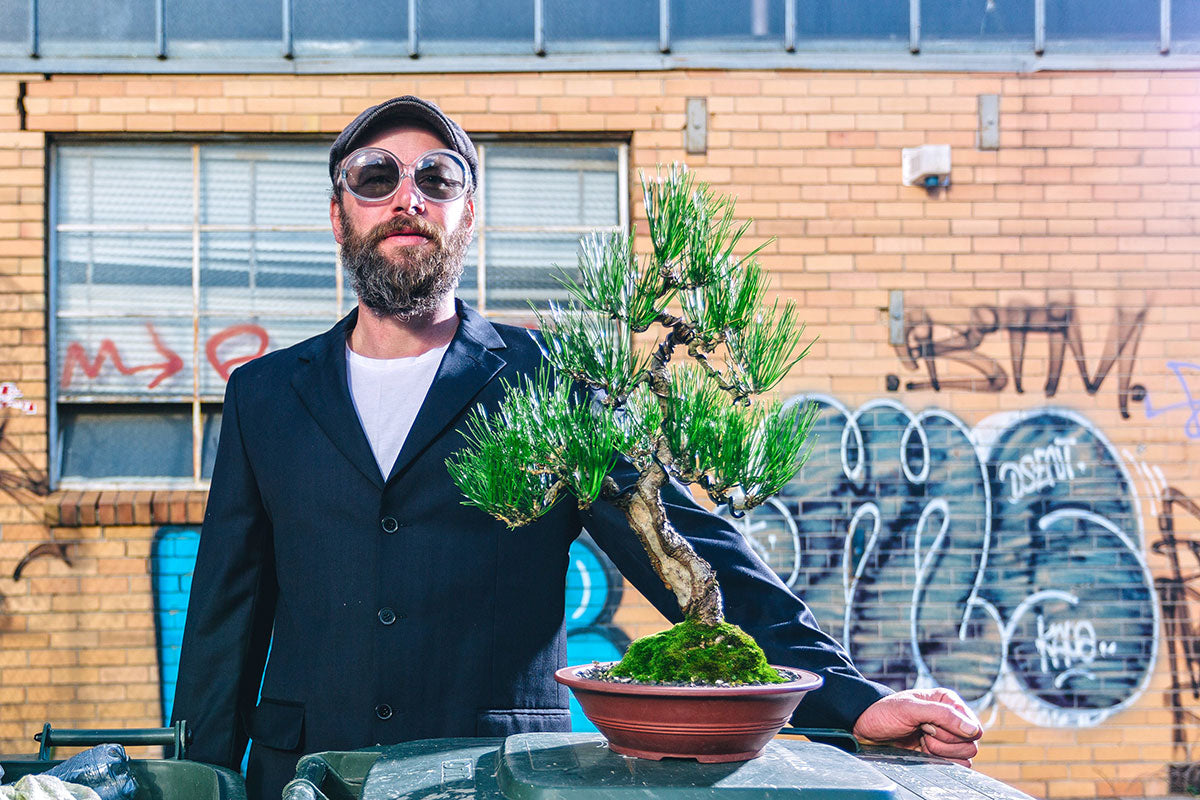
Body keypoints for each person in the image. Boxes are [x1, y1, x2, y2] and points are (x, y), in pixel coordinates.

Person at [172, 95, 982, 800]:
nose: (406, 198)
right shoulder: (265, 396)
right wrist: (198, 777)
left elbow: (697, 552)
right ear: (340, 211)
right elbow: (224, 621)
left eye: (439, 178)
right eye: (376, 178)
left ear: (468, 213)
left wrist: (852, 699)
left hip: (495, 776)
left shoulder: (554, 380)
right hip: (306, 777)